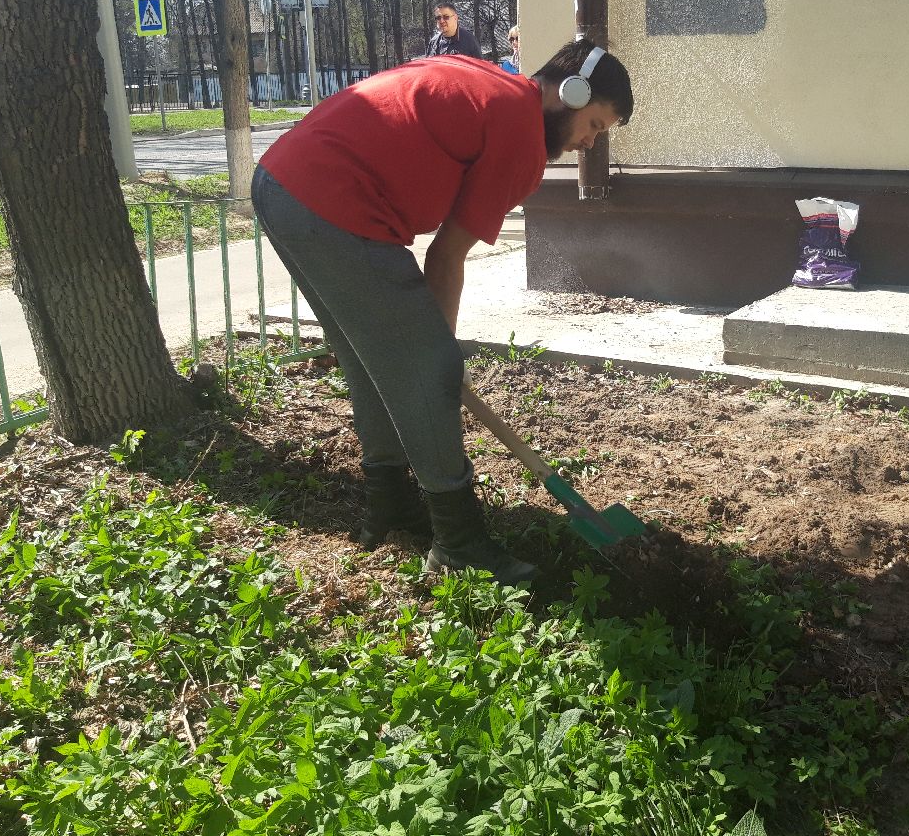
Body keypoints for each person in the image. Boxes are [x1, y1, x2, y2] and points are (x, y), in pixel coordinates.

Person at [252, 40, 634, 583]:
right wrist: (437, 357)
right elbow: (447, 254)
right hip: (333, 200)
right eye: (593, 124)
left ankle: (390, 503)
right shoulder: (520, 134)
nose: (588, 142)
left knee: (370, 359)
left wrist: (426, 351)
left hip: (281, 184)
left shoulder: (492, 85)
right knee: (427, 367)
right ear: (570, 93)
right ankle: (458, 543)